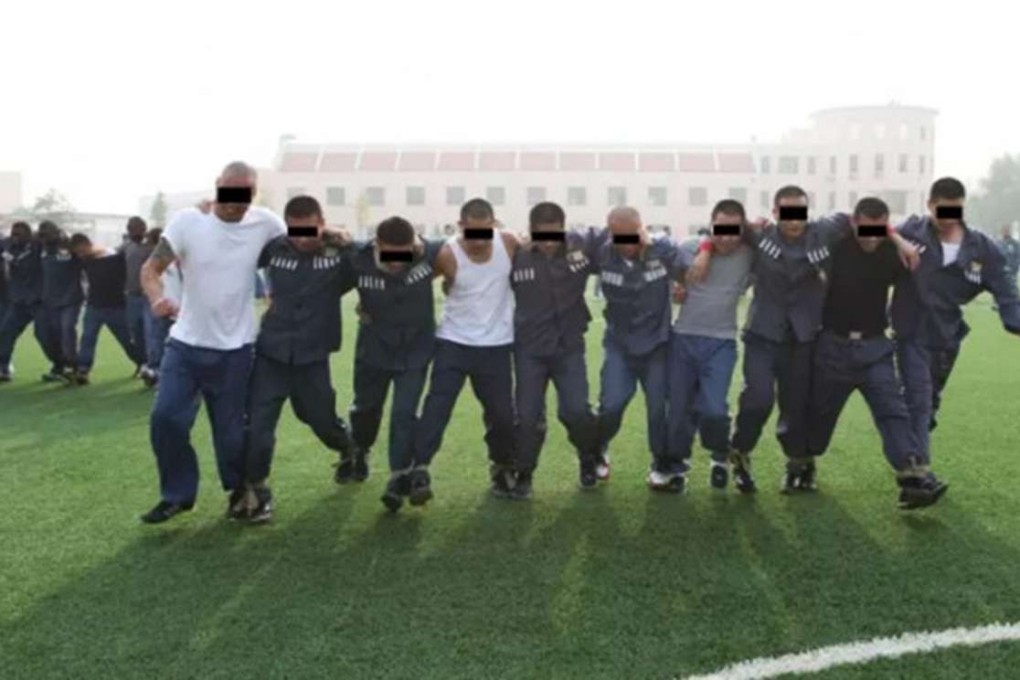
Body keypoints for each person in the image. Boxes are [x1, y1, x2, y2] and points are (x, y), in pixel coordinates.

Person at [138, 161, 287, 524]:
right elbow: (150, 269)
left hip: (236, 350)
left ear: (254, 194)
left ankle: (241, 493)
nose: (237, 202)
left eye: (245, 194)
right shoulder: (188, 222)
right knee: (166, 419)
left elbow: (301, 241)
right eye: (230, 192)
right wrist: (157, 298)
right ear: (218, 185)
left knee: (232, 433)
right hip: (185, 345)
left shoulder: (266, 223)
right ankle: (176, 495)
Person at [806, 197, 947, 508]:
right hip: (833, 347)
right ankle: (804, 461)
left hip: (875, 347)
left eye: (877, 231)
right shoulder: (836, 243)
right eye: (864, 230)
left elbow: (925, 252)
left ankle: (912, 474)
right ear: (854, 222)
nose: (870, 238)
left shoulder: (892, 252)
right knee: (819, 418)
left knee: (892, 411)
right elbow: (817, 228)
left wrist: (899, 242)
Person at [241, 196, 360, 523]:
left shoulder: (341, 252)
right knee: (260, 425)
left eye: (310, 229)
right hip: (272, 353)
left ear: (322, 221)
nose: (303, 238)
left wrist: (368, 304)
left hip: (312, 355)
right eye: (296, 230)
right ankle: (258, 490)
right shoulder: (273, 249)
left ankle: (349, 448)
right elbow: (235, 245)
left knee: (319, 419)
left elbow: (375, 261)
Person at [891, 177, 1020, 465]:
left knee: (928, 401)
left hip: (947, 336)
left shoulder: (982, 247)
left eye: (955, 211)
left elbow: (1007, 291)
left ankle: (918, 432)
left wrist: (1014, 320)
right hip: (911, 332)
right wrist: (897, 240)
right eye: (942, 211)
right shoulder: (911, 231)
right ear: (930, 206)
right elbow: (868, 229)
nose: (948, 219)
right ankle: (918, 474)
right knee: (917, 400)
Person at [407, 198, 522, 506]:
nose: (476, 242)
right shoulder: (447, 253)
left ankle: (502, 466)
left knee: (501, 415)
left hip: (496, 346)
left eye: (483, 233)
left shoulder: (509, 243)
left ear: (494, 226)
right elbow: (410, 283)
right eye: (470, 233)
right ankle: (419, 468)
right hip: (453, 343)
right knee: (436, 408)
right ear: (460, 227)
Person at [343, 216, 444, 512]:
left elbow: (467, 245)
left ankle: (399, 477)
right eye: (392, 253)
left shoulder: (430, 252)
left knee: (403, 413)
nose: (399, 262)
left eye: (406, 253)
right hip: (374, 349)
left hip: (415, 349)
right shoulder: (357, 258)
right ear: (377, 244)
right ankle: (359, 449)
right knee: (366, 408)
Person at [511, 202, 601, 498]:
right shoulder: (516, 255)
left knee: (575, 410)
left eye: (554, 235)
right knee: (527, 415)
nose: (549, 242)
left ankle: (589, 456)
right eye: (542, 235)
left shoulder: (582, 246)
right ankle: (524, 472)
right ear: (532, 230)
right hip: (530, 348)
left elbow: (618, 235)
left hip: (568, 346)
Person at [665, 200, 753, 491]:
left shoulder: (750, 254)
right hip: (684, 338)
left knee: (714, 408)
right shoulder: (689, 247)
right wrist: (676, 289)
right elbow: (671, 278)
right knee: (678, 410)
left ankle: (719, 456)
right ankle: (677, 466)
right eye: (720, 229)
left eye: (734, 230)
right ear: (711, 224)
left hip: (721, 342)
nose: (726, 237)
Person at [68, 233, 145, 383]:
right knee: (88, 338)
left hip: (116, 306)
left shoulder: (115, 257)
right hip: (94, 306)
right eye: (77, 253)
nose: (80, 255)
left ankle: (142, 363)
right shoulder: (85, 261)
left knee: (127, 340)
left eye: (81, 251)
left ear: (87, 244)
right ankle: (83, 369)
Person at [0, 222, 49, 382]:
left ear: (29, 235)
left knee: (43, 335)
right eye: (13, 234)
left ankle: (60, 365)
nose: (15, 237)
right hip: (18, 301)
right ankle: (3, 367)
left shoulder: (38, 245)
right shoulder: (7, 244)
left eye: (19, 234)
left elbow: (59, 244)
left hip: (39, 300)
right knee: (5, 332)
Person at [38, 221, 84, 384]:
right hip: (50, 299)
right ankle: (60, 366)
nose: (43, 237)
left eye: (46, 234)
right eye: (41, 234)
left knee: (67, 330)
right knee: (50, 334)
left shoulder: (69, 245)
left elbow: (84, 261)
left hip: (70, 298)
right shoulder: (41, 247)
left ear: (56, 232)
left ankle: (74, 368)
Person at [120, 217, 153, 380]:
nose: (133, 232)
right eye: (130, 228)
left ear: (144, 229)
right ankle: (143, 363)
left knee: (150, 332)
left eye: (137, 228)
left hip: (149, 296)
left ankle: (153, 366)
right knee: (136, 333)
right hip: (132, 297)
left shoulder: (152, 247)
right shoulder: (126, 247)